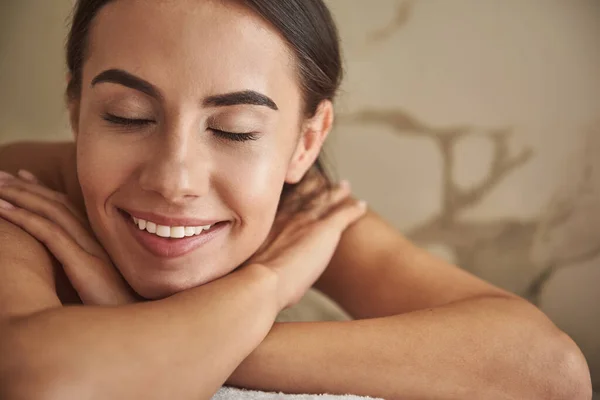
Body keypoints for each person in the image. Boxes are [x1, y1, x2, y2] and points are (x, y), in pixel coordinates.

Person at [0, 1, 592, 399]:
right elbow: (43, 380)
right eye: (128, 117)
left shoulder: (301, 215)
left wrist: (148, 328)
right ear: (78, 111)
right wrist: (269, 285)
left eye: (234, 129)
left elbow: (548, 370)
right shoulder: (19, 195)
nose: (174, 179)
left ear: (305, 143)